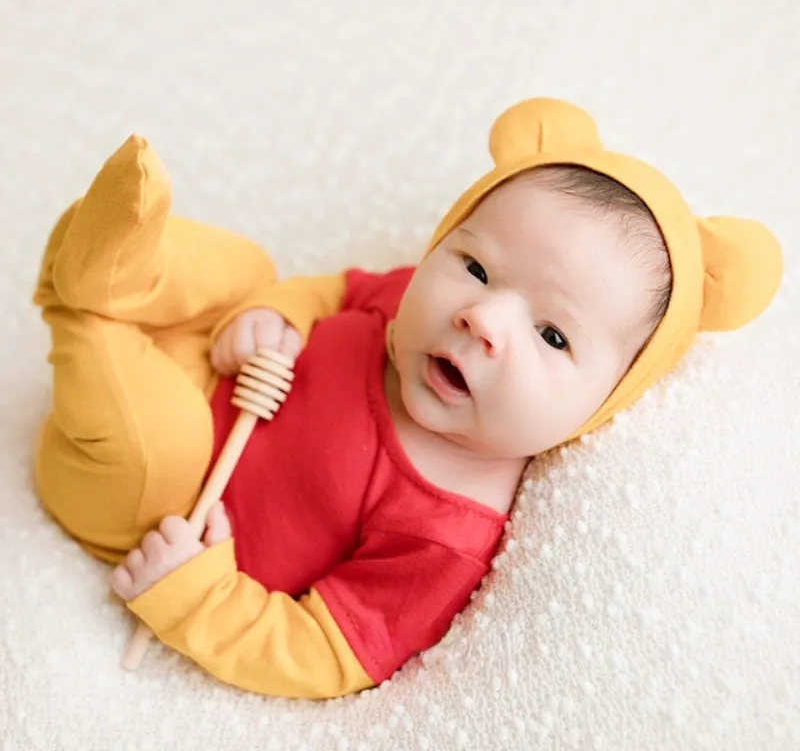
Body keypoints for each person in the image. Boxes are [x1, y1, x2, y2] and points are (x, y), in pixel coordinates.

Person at [32, 98, 782, 699]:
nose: (481, 319)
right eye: (478, 268)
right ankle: (127, 268)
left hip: (167, 504)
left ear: (604, 405)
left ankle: (84, 303)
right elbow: (335, 290)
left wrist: (195, 595)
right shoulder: (410, 310)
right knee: (249, 269)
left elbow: (324, 654)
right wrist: (275, 318)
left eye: (552, 336)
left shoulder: (442, 534)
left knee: (154, 436)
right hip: (215, 359)